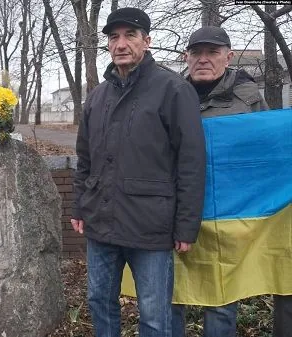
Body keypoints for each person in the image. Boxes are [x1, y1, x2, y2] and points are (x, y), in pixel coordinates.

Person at [71, 7, 206, 337]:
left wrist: (186, 226)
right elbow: (84, 159)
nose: (121, 43)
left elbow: (190, 162)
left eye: (130, 35)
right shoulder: (96, 97)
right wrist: (79, 206)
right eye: (114, 37)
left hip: (151, 228)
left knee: (155, 314)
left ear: (147, 41)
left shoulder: (173, 90)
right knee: (100, 301)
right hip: (100, 224)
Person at [173, 25, 292, 337]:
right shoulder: (172, 98)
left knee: (224, 299)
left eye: (212, 52)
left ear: (228, 57)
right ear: (186, 57)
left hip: (238, 215)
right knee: (173, 292)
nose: (203, 59)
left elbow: (272, 151)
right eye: (196, 52)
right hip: (188, 214)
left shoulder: (249, 99)